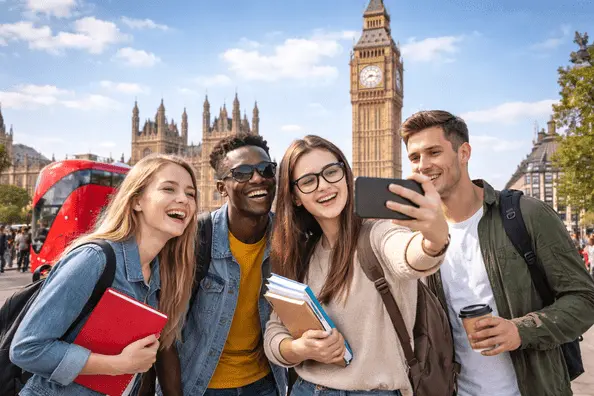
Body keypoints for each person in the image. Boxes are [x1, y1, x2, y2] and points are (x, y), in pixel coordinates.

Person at [400, 110, 594, 396]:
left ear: (463, 152)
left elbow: (585, 299)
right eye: (415, 158)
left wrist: (521, 330)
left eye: (434, 152)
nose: (423, 165)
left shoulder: (527, 214)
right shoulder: (417, 240)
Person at [263, 135, 450, 396]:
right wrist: (300, 349)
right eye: (308, 181)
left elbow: (410, 256)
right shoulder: (301, 254)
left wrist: (434, 239)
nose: (324, 186)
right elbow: (275, 330)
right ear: (294, 196)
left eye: (331, 172)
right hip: (305, 390)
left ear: (346, 175)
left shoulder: (377, 235)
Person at [10, 154, 198, 395]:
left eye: (190, 193)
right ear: (136, 201)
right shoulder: (94, 258)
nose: (183, 199)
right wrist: (118, 365)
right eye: (169, 189)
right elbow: (27, 349)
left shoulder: (161, 274)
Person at [156, 133, 287, 396]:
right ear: (220, 188)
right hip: (201, 386)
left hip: (266, 384)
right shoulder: (195, 239)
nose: (258, 178)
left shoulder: (288, 239)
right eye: (242, 173)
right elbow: (166, 334)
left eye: (265, 169)